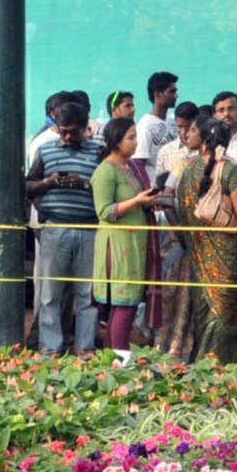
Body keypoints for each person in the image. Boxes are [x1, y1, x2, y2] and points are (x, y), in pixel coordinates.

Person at [176, 116, 237, 366]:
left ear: (204, 139)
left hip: (198, 251)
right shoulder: (231, 170)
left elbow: (181, 210)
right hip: (228, 250)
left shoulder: (188, 170)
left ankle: (205, 363)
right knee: (227, 308)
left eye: (193, 129)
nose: (188, 133)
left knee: (206, 306)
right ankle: (225, 363)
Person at [26, 100, 103, 354]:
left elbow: (106, 190)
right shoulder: (46, 151)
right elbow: (28, 186)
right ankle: (50, 348)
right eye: (63, 131)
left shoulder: (98, 152)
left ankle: (85, 349)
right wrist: (49, 183)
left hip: (90, 230)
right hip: (55, 228)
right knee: (50, 294)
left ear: (84, 127)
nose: (68, 136)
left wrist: (83, 184)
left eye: (73, 131)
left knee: (87, 295)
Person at [90, 117, 158, 352]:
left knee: (127, 304)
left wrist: (147, 201)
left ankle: (113, 359)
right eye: (131, 138)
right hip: (117, 245)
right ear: (116, 141)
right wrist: (137, 200)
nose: (136, 142)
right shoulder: (105, 171)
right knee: (124, 304)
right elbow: (104, 211)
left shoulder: (129, 167)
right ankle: (119, 360)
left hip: (134, 243)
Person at [136, 72, 180, 169]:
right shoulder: (145, 126)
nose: (176, 95)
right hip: (154, 183)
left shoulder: (173, 122)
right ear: (158, 95)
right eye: (171, 92)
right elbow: (138, 163)